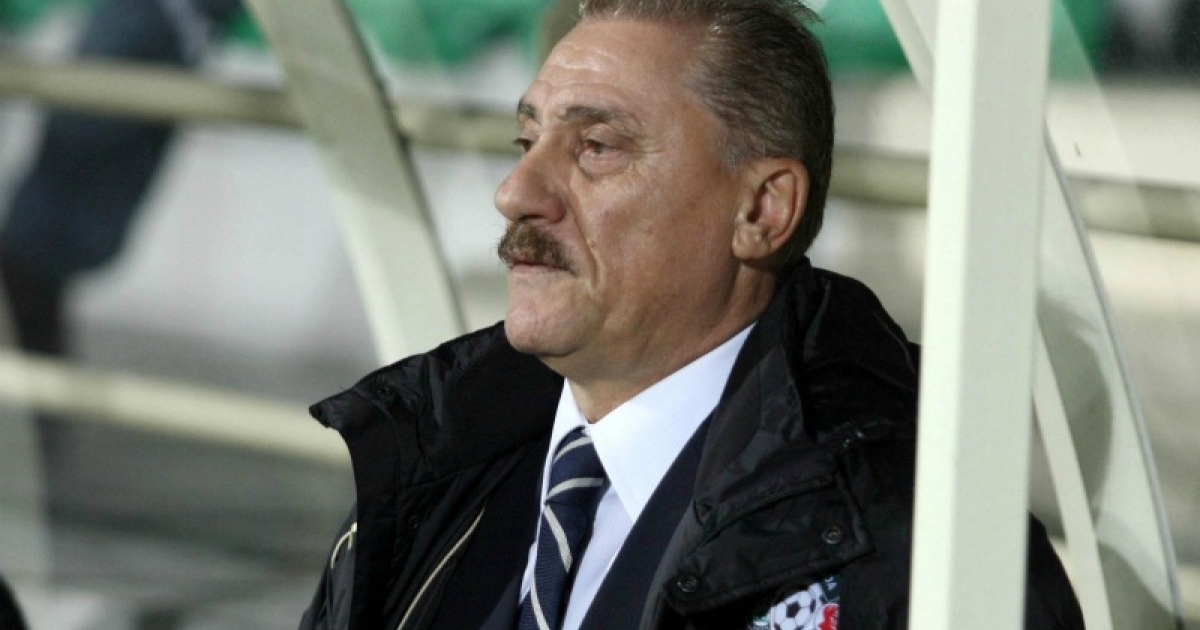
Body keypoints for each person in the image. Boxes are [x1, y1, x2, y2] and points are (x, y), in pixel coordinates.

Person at [298, 1, 1085, 629]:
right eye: (526, 139)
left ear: (763, 210)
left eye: (596, 147)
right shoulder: (433, 459)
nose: (516, 192)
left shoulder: (908, 542)